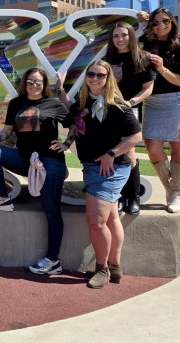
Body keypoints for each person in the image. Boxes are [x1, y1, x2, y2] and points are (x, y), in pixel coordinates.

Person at [58, 21, 154, 214]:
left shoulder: (142, 58)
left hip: (125, 106)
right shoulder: (107, 57)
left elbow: (148, 88)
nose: (120, 39)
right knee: (118, 151)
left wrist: (131, 102)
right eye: (116, 36)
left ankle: (132, 195)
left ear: (132, 36)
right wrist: (60, 89)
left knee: (129, 154)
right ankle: (117, 196)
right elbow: (75, 108)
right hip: (103, 106)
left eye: (124, 35)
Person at [0, 68, 71, 276]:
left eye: (38, 82)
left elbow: (74, 124)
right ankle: (3, 197)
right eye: (30, 81)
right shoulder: (16, 103)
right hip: (25, 159)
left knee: (51, 209)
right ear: (25, 82)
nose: (34, 85)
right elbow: (8, 130)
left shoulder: (54, 104)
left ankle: (53, 260)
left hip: (51, 160)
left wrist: (66, 143)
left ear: (44, 85)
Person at [67, 60, 142, 289]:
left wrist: (112, 153)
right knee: (110, 218)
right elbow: (75, 124)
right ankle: (115, 267)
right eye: (91, 74)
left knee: (95, 221)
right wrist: (66, 142)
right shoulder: (82, 102)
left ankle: (102, 269)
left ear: (108, 78)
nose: (95, 78)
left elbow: (136, 136)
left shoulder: (117, 105)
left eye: (100, 75)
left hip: (110, 168)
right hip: (91, 166)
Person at [137, 9, 180, 214]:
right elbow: (133, 31)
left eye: (165, 21)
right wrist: (142, 19)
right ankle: (169, 188)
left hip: (177, 99)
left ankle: (176, 192)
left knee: (178, 146)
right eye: (155, 23)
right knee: (152, 147)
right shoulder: (148, 42)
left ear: (173, 22)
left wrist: (162, 69)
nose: (160, 25)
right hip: (153, 101)